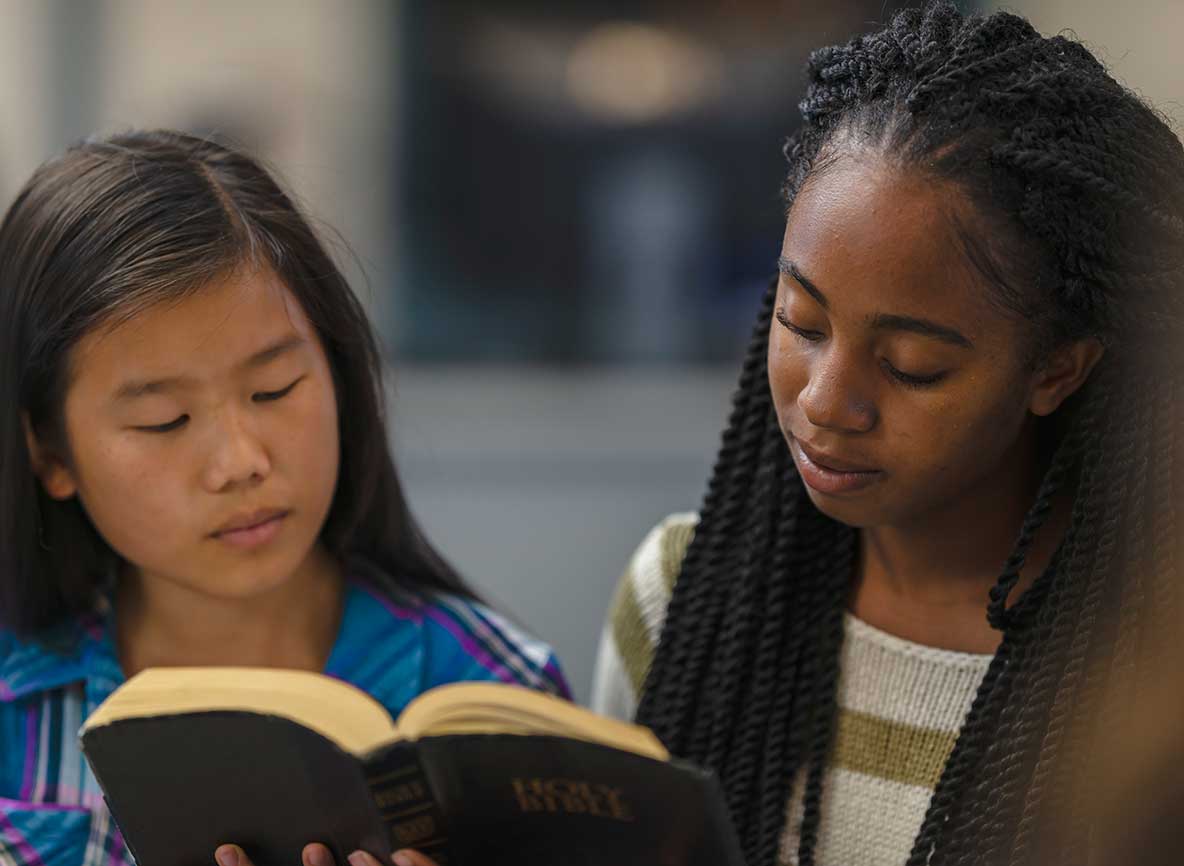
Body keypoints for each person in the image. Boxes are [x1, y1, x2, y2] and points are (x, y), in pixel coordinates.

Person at [587, 3, 1184, 866]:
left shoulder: (1149, 680)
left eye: (910, 366)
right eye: (801, 320)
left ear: (1058, 370)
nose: (828, 403)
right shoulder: (680, 599)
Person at [0, 130, 569, 866]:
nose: (242, 462)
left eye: (275, 389)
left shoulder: (497, 693)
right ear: (49, 451)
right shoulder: (15, 699)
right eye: (164, 420)